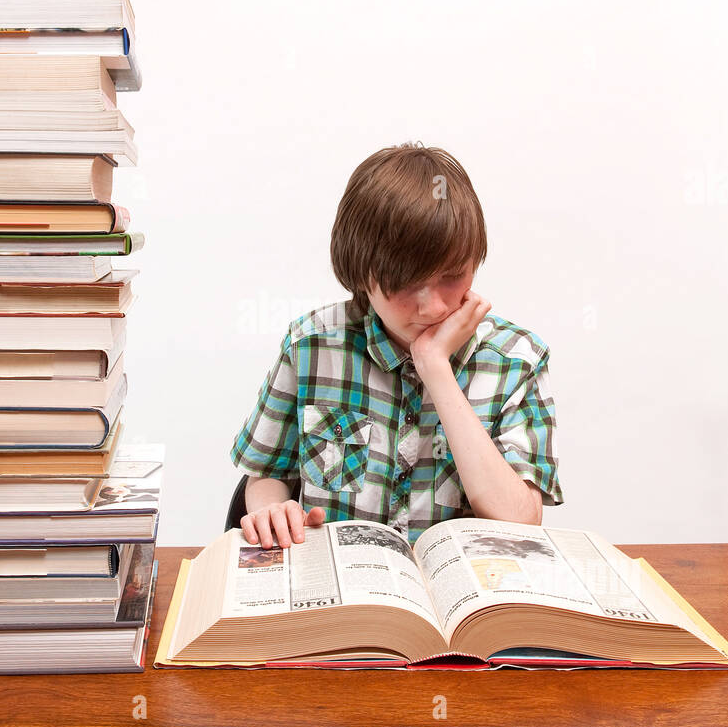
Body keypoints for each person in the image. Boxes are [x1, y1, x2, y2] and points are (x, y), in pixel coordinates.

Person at [229, 143, 564, 548]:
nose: (433, 306)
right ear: (361, 271)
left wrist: (435, 367)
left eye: (453, 276)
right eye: (407, 283)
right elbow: (267, 472)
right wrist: (271, 509)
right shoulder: (311, 346)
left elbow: (521, 521)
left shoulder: (515, 361)